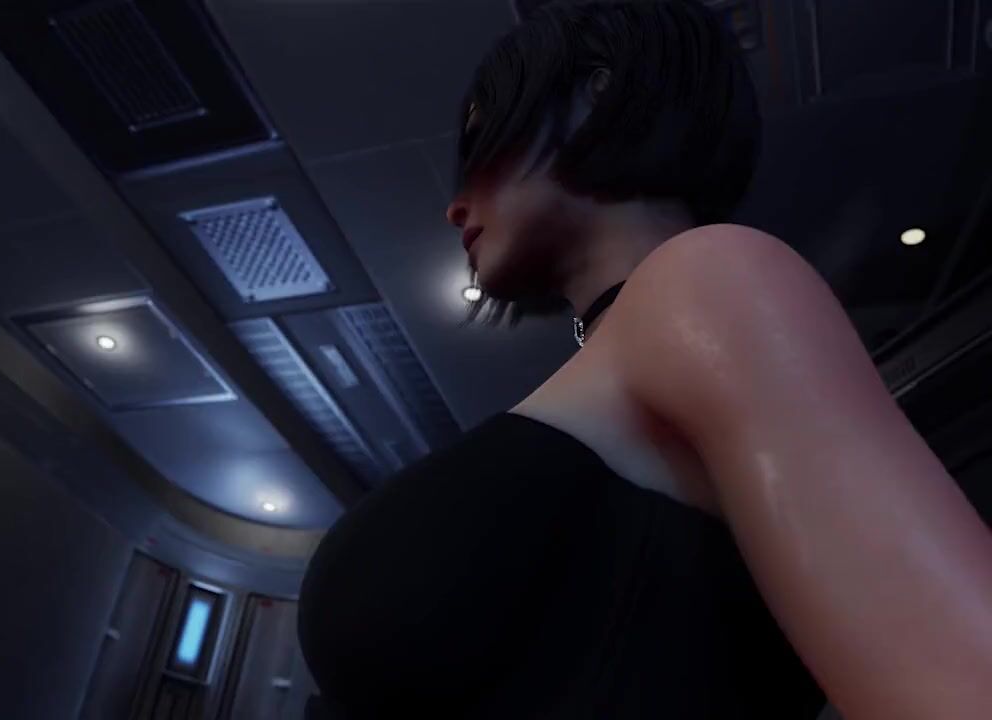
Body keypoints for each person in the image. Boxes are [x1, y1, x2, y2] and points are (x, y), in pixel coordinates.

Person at [296, 1, 992, 718]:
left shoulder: (711, 278)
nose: (456, 204)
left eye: (481, 143)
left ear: (594, 96)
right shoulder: (663, 326)